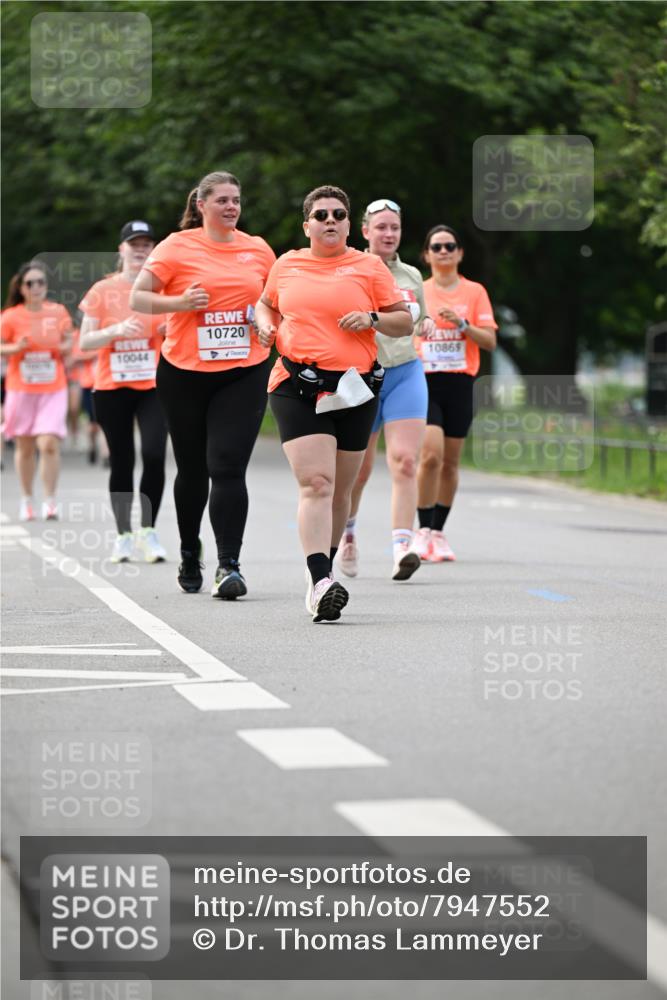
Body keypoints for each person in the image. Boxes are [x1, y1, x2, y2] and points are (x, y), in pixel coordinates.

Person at [254, 185, 412, 623]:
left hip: (354, 389)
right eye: (320, 214)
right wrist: (266, 327)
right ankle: (322, 577)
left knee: (341, 491)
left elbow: (403, 321)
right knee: (317, 483)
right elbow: (264, 306)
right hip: (296, 384)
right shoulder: (287, 265)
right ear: (306, 225)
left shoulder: (368, 267)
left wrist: (373, 318)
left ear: (348, 223)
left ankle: (318, 572)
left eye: (338, 214)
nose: (329, 221)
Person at [129, 172, 275, 597]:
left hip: (245, 369)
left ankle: (229, 564)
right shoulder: (177, 246)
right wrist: (179, 303)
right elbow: (139, 297)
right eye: (223, 200)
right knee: (193, 469)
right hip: (184, 372)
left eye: (237, 200)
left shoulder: (258, 249)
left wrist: (268, 325)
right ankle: (190, 550)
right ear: (201, 205)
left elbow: (274, 300)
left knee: (228, 465)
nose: (232, 207)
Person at [336, 198, 437, 582]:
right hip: (362, 377)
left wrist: (424, 326)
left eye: (394, 227)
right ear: (365, 232)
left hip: (405, 373)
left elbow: (418, 319)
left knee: (405, 461)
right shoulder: (350, 271)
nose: (389, 234)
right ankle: (347, 534)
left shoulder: (411, 275)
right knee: (358, 471)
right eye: (381, 227)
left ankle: (401, 547)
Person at [80, 221, 168, 564]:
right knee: (122, 460)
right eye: (134, 244)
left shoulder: (161, 289)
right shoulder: (102, 290)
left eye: (147, 244)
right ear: (121, 250)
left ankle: (148, 530)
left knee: (155, 454)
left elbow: (181, 331)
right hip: (112, 387)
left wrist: (167, 328)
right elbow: (85, 342)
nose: (141, 249)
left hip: (154, 386)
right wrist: (115, 330)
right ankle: (123, 535)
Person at [414, 225, 497, 562]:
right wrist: (420, 327)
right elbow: (402, 332)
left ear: (460, 253)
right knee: (430, 455)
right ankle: (421, 531)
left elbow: (489, 340)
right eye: (437, 246)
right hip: (424, 381)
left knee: (449, 463)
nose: (444, 251)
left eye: (450, 245)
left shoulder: (475, 292)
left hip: (461, 383)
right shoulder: (418, 290)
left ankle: (438, 532)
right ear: (427, 255)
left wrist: (463, 325)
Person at [1, 261, 72, 520]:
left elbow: (69, 339)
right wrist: (14, 348)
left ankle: (50, 500)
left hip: (53, 387)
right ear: (21, 288)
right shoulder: (10, 316)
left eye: (41, 282)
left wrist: (65, 346)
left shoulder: (58, 311)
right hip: (21, 389)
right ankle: (27, 498)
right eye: (31, 283)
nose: (37, 287)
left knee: (49, 442)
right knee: (26, 446)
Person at [66, 325, 104, 463]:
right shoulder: (78, 334)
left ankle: (106, 454)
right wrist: (95, 353)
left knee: (105, 420)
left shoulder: (106, 330)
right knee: (92, 422)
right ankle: (92, 446)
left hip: (106, 383)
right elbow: (76, 355)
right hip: (87, 383)